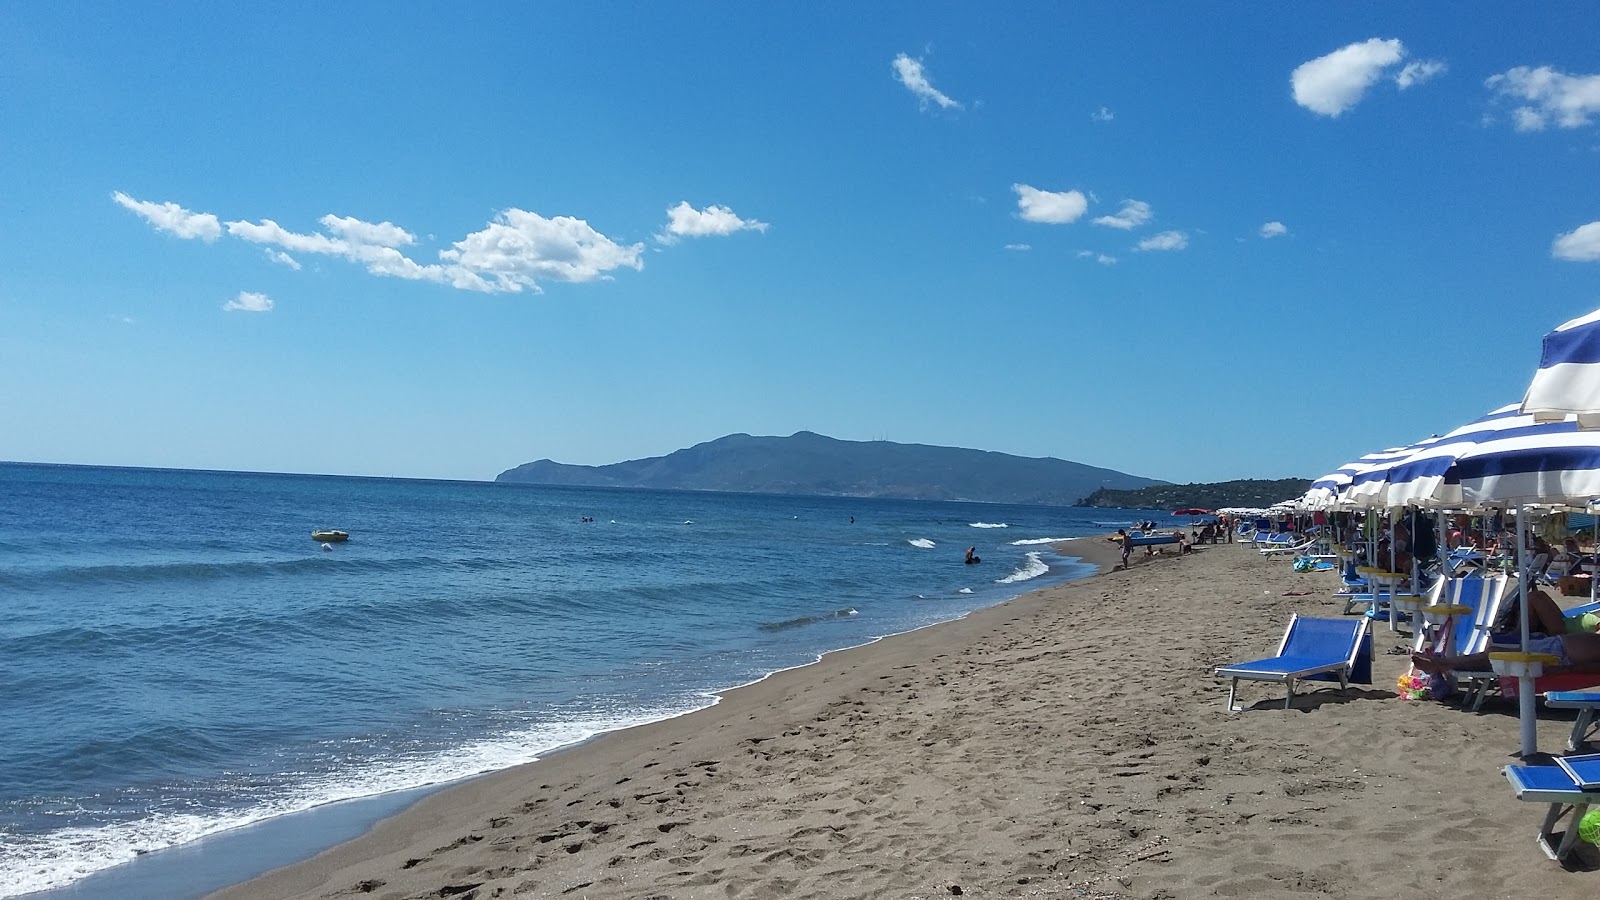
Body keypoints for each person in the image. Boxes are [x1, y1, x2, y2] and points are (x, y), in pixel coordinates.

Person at [1412, 630, 1600, 675]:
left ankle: (1444, 664)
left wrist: (1561, 669)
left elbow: (1587, 667)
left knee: (1494, 655)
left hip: (1556, 656)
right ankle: (1444, 663)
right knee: (1493, 652)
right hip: (1553, 646)